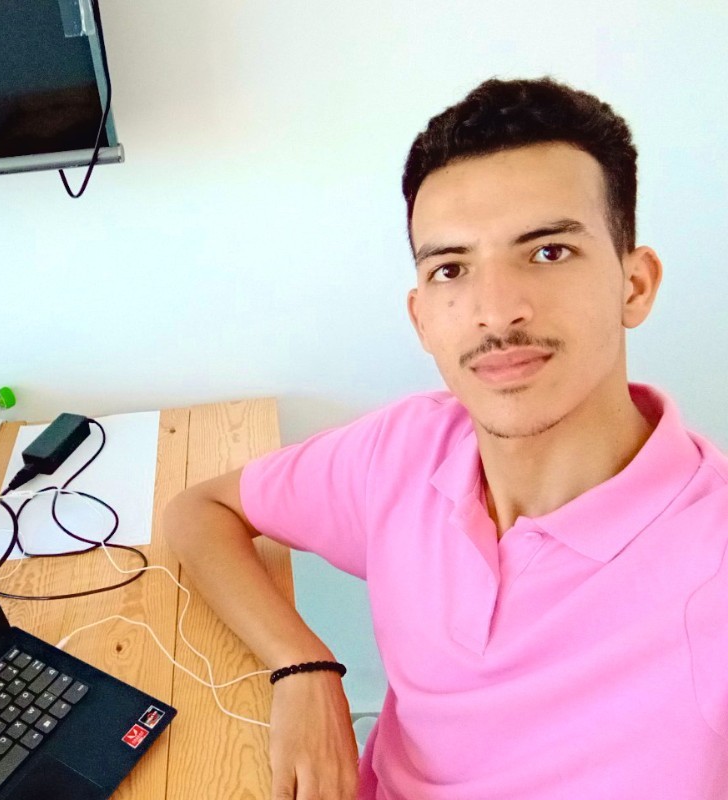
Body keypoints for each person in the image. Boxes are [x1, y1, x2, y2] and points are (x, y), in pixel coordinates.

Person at [164, 77, 728, 799]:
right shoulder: (405, 452)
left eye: (549, 252)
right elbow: (199, 510)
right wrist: (302, 666)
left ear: (635, 284)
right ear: (421, 317)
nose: (495, 310)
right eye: (451, 269)